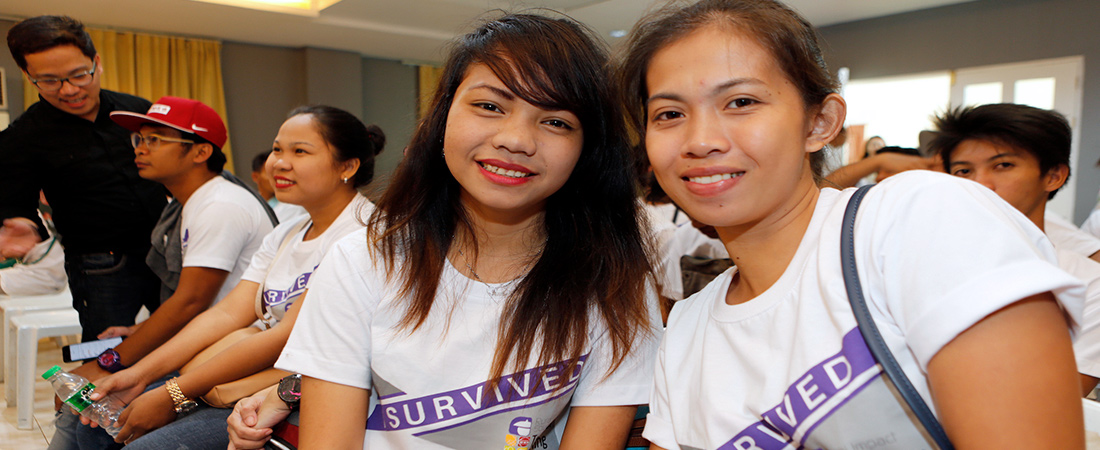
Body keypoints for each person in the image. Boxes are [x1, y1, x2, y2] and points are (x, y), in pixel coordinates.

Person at [616, 1, 1085, 448]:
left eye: (740, 102)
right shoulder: (689, 329)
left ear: (820, 123)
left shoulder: (914, 220)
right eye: (670, 114)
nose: (701, 141)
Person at [230, 13, 662, 450]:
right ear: (442, 118)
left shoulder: (615, 282)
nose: (516, 139)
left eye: (556, 122)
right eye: (490, 106)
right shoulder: (361, 261)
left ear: (586, 149)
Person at [61, 105, 384, 449]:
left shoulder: (364, 235)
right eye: (277, 149)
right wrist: (136, 375)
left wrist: (172, 393)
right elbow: (228, 313)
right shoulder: (289, 231)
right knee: (93, 425)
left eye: (300, 151)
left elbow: (283, 337)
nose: (279, 163)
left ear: (347, 166)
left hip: (298, 386)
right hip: (242, 370)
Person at [48, 96, 276, 449]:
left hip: (221, 349)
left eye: (156, 140)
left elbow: (191, 303)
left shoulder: (221, 206)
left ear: (200, 152)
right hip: (201, 340)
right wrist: (135, 333)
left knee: (86, 416)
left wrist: (108, 364)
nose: (140, 149)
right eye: (139, 139)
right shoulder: (189, 203)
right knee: (84, 414)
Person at [0, 15, 165, 342]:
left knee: (185, 339)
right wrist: (21, 224)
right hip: (100, 265)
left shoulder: (137, 112)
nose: (70, 90)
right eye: (49, 81)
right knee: (106, 352)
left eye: (79, 74)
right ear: (28, 75)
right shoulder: (22, 138)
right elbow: (14, 203)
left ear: (97, 62)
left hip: (166, 249)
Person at [930, 102, 1100, 394]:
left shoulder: (1086, 283)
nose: (980, 184)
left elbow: (1057, 399)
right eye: (963, 171)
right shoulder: (923, 262)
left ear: (1053, 176)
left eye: (1003, 165)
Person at [251, 151, 307, 223]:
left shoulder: (295, 206)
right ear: (255, 177)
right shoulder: (251, 203)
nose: (278, 177)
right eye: (269, 172)